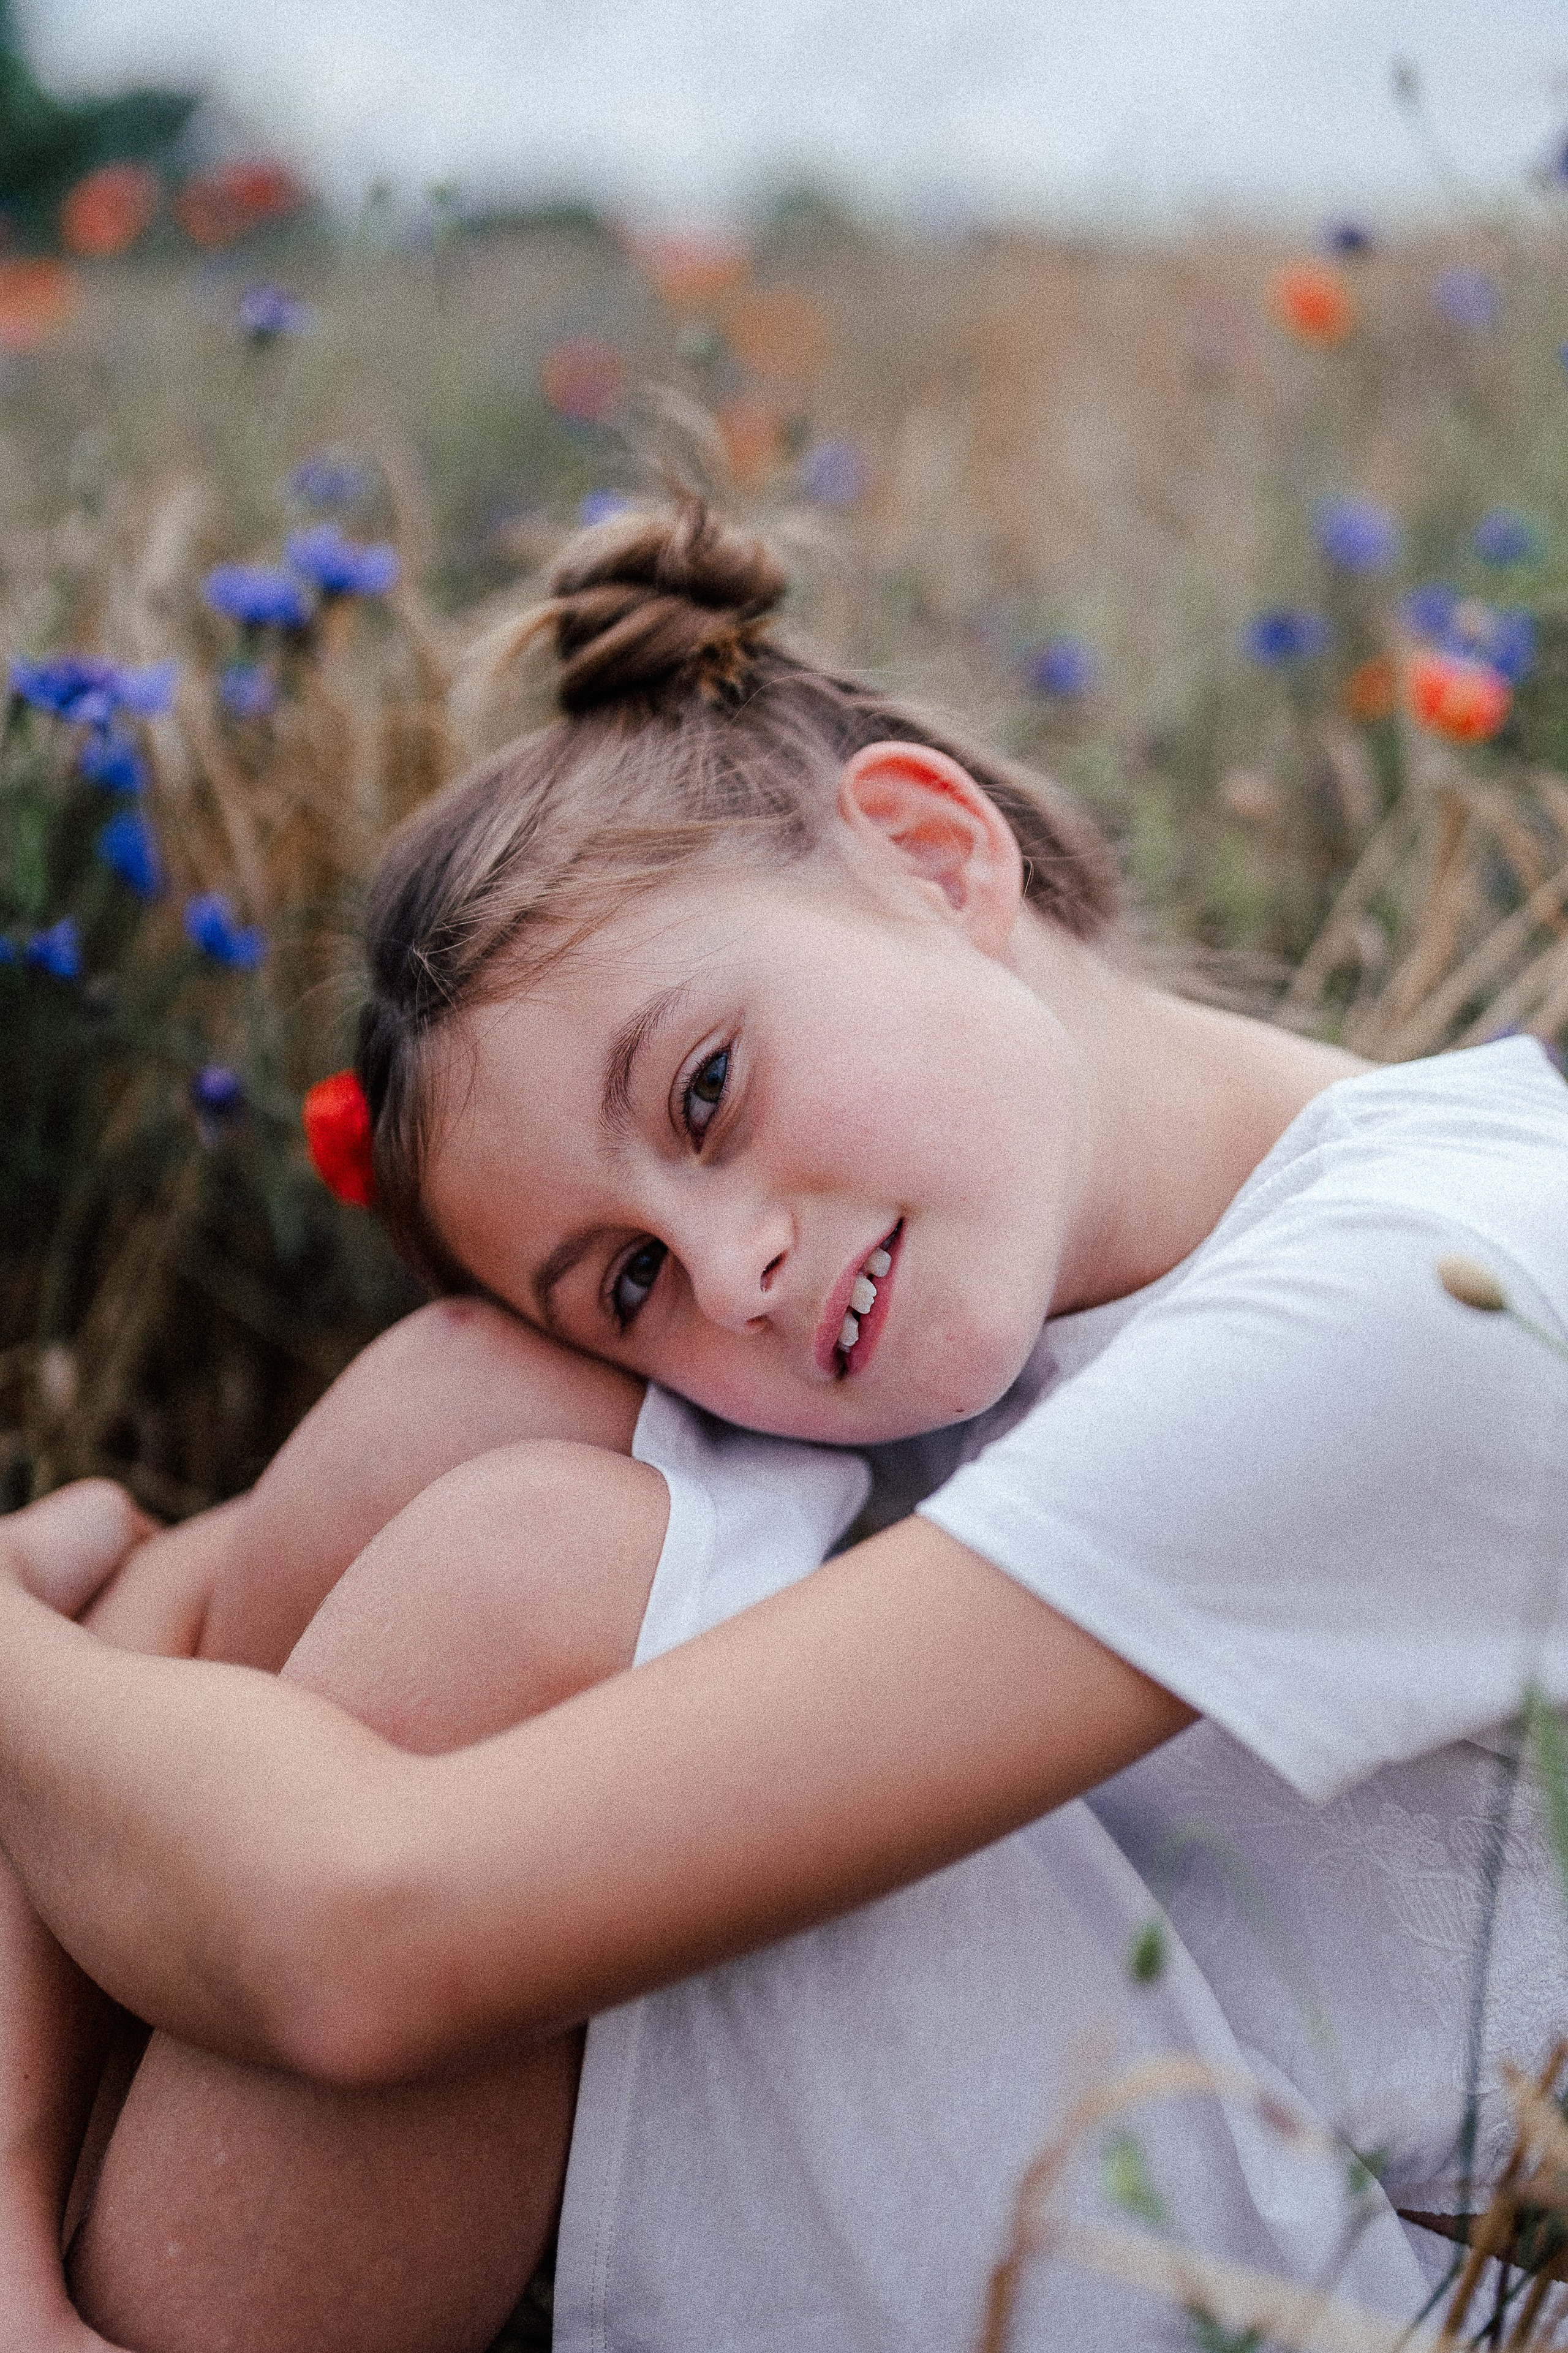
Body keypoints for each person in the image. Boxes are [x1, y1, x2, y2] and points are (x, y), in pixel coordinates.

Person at [0, 499, 1565, 2353]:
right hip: (1181, 2179)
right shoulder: (959, 1308)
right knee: (474, 1404)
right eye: (627, 1275)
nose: (732, 1267)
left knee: (529, 1580)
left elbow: (361, 1934)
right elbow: (126, 1660)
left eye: (711, 1088)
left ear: (924, 850)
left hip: (1419, 2300)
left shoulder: (1433, 1286)